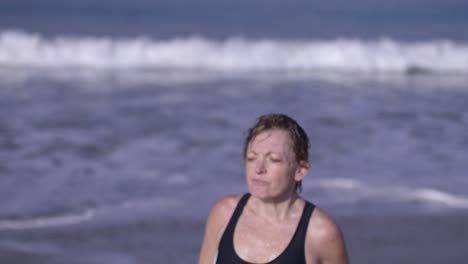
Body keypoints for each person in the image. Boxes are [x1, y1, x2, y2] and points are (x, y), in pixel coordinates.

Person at [199, 113, 349, 264]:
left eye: (274, 160)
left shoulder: (320, 233)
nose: (259, 169)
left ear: (300, 170)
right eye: (251, 158)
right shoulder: (224, 213)